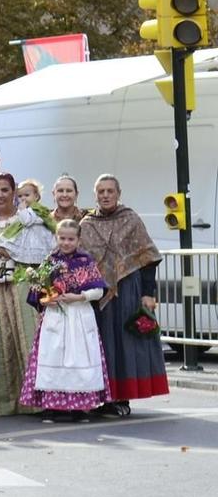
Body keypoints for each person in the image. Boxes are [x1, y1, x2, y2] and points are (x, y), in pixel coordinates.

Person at [80, 175, 166, 414]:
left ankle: (122, 398)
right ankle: (103, 397)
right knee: (102, 343)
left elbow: (148, 258)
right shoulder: (86, 224)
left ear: (119, 193)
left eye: (110, 191)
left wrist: (148, 294)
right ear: (95, 194)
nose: (106, 195)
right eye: (101, 191)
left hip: (128, 288)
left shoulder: (131, 219)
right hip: (98, 293)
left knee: (125, 343)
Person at [0, 174, 54, 417]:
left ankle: (36, 399)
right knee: (1, 340)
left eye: (4, 190)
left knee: (29, 337)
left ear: (13, 192)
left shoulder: (29, 220)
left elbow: (48, 249)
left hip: (26, 284)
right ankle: (5, 401)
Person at [21, 220, 112, 423]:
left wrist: (79, 297)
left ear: (78, 239)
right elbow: (37, 290)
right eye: (62, 238)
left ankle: (79, 407)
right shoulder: (50, 261)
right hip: (56, 316)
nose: (66, 242)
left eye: (71, 239)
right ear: (56, 237)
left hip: (79, 315)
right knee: (52, 355)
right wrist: (47, 299)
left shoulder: (85, 261)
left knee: (79, 357)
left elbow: (98, 290)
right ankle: (52, 406)